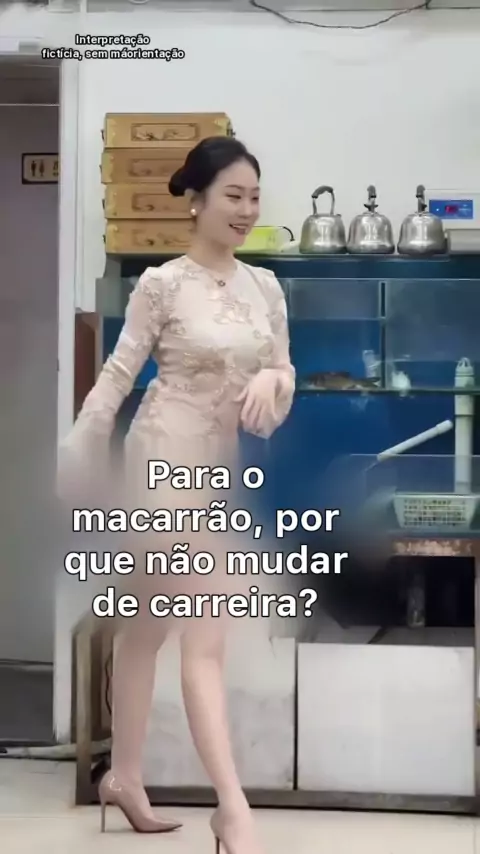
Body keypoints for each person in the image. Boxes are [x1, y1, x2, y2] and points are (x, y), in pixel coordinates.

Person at [59, 136, 295, 853]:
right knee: (204, 636)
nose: (245, 210)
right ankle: (234, 810)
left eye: (254, 198)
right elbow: (117, 377)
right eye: (233, 196)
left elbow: (284, 376)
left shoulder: (266, 287)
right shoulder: (162, 284)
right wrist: (79, 449)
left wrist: (274, 380)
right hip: (161, 462)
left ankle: (125, 776)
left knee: (148, 626)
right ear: (196, 200)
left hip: (219, 471)